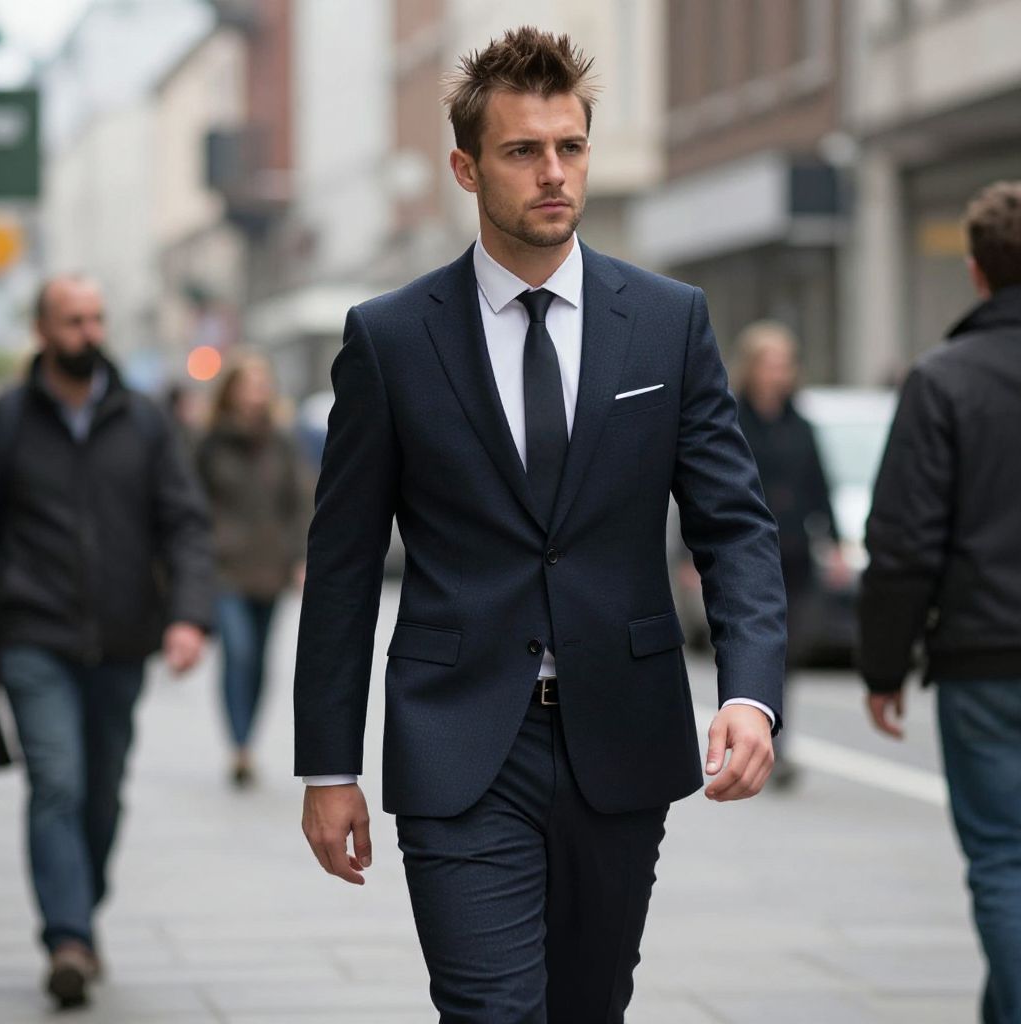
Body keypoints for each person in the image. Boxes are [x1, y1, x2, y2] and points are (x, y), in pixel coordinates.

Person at [294, 27, 786, 1022]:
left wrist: (750, 692)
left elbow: (733, 524)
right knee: (491, 1009)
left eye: (570, 146)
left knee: (588, 1006)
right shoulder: (390, 338)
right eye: (523, 151)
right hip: (458, 736)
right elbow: (343, 563)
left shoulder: (668, 321)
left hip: (622, 730)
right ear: (466, 168)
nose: (553, 172)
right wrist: (329, 766)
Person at [0, 275, 215, 1009]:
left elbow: (184, 523)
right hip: (33, 634)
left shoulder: (143, 420)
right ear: (42, 330)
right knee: (57, 779)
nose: (89, 332)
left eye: (96, 318)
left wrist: (187, 616)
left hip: (122, 638)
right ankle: (67, 938)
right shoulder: (9, 420)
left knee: (102, 791)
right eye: (73, 320)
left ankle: (79, 912)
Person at [859, 180, 1021, 1024]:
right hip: (983, 656)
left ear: (976, 272)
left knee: (1004, 860)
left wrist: (883, 667)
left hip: (983, 659)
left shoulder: (942, 380)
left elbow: (903, 541)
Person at [734, 321, 840, 786]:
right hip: (748, 555)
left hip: (796, 554)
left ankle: (773, 736)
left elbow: (819, 485)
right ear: (751, 367)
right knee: (761, 648)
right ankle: (761, 739)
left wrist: (833, 540)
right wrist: (686, 556)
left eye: (785, 364)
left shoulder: (801, 424)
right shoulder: (731, 419)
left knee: (789, 652)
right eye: (769, 363)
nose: (778, 373)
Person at [196, 355, 307, 787]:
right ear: (231, 390)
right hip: (224, 568)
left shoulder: (282, 441)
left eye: (263, 383)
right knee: (238, 652)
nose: (258, 392)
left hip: (270, 567)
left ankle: (248, 742)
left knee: (259, 660)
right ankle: (238, 744)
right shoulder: (210, 442)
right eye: (249, 383)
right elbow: (191, 501)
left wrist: (300, 556)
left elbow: (300, 501)